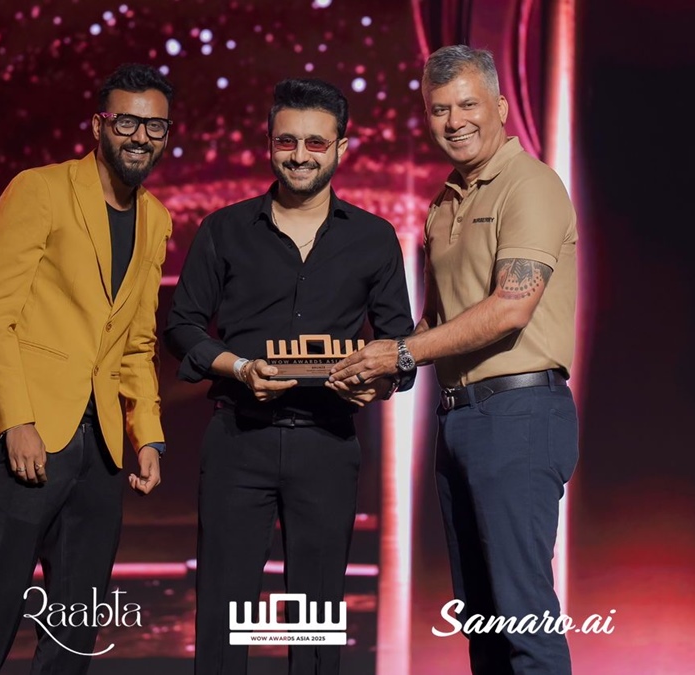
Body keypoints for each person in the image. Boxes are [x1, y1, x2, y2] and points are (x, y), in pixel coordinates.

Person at [330, 45, 580, 674]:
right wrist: (380, 369)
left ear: (500, 106)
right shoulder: (443, 204)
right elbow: (439, 324)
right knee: (483, 621)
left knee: (523, 617)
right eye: (439, 109)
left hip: (521, 412)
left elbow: (510, 308)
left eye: (468, 104)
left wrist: (401, 351)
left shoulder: (531, 185)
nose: (455, 121)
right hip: (459, 419)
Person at [165, 78, 415, 675]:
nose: (300, 155)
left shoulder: (374, 238)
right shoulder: (225, 229)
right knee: (224, 613)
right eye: (287, 141)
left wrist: (375, 381)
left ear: (341, 147)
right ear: (269, 143)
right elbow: (182, 326)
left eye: (315, 143)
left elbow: (398, 346)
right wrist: (239, 367)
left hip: (328, 443)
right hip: (239, 438)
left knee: (316, 616)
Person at [0, 63, 174, 674]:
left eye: (155, 126)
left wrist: (147, 434)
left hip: (100, 441)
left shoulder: (156, 219)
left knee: (79, 614)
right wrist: (15, 421)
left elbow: (137, 341)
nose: (140, 136)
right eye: (126, 122)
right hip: (24, 426)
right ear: (99, 126)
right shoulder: (41, 189)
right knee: (1, 596)